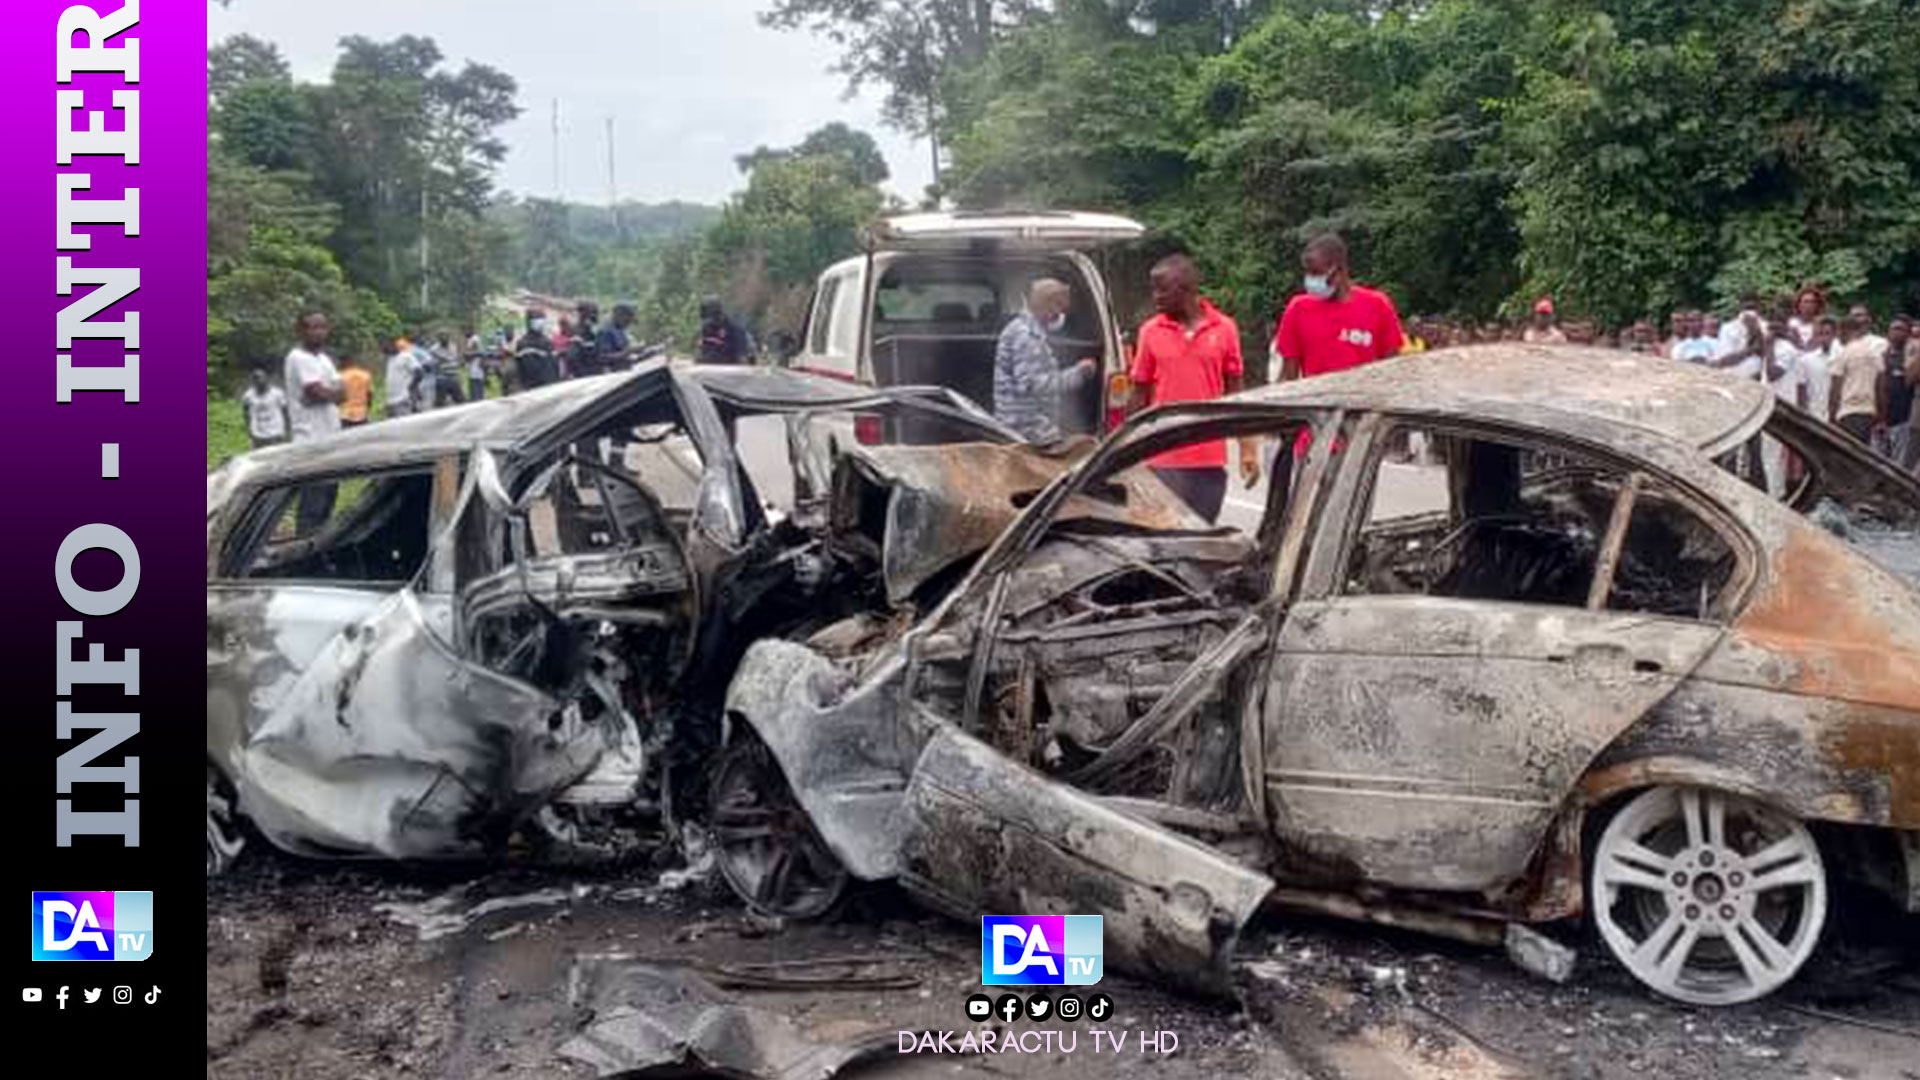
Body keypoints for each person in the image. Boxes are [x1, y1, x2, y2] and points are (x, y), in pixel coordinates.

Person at [1131, 254, 1255, 523]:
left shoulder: (1225, 329)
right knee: (1162, 542)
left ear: (1185, 289)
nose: (1156, 297)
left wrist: (1247, 446)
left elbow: (1237, 392)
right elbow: (1139, 393)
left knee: (1201, 538)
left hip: (1208, 460)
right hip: (1162, 459)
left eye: (1162, 289)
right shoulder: (1150, 331)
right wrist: (1125, 448)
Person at [992, 277, 1096, 444]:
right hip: (1026, 430)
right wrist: (1078, 373)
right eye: (1059, 307)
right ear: (1046, 304)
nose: (1060, 314)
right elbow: (1033, 385)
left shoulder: (1028, 329)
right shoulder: (1026, 336)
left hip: (1029, 426)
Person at [284, 311, 343, 530]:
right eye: (312, 327)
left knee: (328, 501)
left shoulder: (324, 359)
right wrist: (326, 393)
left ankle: (320, 552)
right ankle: (303, 552)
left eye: (322, 326)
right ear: (300, 331)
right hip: (310, 440)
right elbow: (318, 392)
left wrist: (324, 394)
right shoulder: (298, 357)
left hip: (331, 438)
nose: (318, 332)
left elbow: (343, 393)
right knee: (312, 505)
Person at [1759, 309, 1805, 498]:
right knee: (1770, 454)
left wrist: (1768, 346)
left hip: (1779, 407)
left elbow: (1772, 374)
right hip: (1769, 405)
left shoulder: (1786, 349)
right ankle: (1776, 492)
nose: (1772, 327)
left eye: (1777, 323)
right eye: (1771, 323)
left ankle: (1776, 496)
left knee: (1773, 454)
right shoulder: (1774, 345)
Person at [1829, 305, 1888, 445]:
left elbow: (1835, 388)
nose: (1838, 338)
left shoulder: (1843, 354)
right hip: (1869, 412)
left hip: (1848, 412)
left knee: (1850, 457)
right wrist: (1882, 417)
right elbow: (1881, 388)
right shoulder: (1874, 354)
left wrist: (1831, 416)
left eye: (1839, 334)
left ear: (1845, 331)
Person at [1884, 316, 1915, 468]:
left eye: (1900, 329)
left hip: (1903, 419)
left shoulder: (1911, 358)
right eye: (1893, 329)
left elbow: (1910, 381)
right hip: (1881, 420)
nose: (1896, 333)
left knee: (1898, 465)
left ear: (1908, 333)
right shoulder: (1881, 355)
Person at [240, 364, 289, 450]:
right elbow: (245, 412)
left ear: (267, 378)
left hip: (276, 432)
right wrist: (249, 429)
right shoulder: (248, 396)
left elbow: (285, 411)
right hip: (257, 434)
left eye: (262, 377)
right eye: (256, 378)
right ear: (253, 381)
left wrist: (287, 429)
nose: (260, 380)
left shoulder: (277, 393)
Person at [698, 297, 755, 363]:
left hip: (734, 357)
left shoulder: (732, 326)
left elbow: (741, 352)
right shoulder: (707, 327)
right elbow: (705, 346)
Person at [513, 310, 560, 390]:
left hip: (551, 387)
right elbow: (528, 369)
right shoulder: (524, 343)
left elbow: (554, 365)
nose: (541, 322)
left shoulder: (547, 341)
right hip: (534, 388)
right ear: (529, 322)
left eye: (542, 319)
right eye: (537, 319)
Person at [384, 336, 422, 418]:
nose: (384, 349)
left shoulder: (405, 356)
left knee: (405, 427)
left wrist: (410, 388)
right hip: (391, 401)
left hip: (402, 399)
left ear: (393, 345)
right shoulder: (390, 359)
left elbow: (419, 373)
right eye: (383, 347)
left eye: (386, 346)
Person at [337, 354, 372, 428]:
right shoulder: (365, 375)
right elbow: (369, 394)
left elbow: (339, 396)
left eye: (340, 362)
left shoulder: (340, 376)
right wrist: (367, 408)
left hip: (345, 414)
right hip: (362, 413)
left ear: (344, 362)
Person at [1788, 285, 1826, 350]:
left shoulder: (1823, 324)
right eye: (1806, 302)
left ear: (1817, 305)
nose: (1809, 305)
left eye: (1812, 302)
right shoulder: (1791, 323)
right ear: (1799, 304)